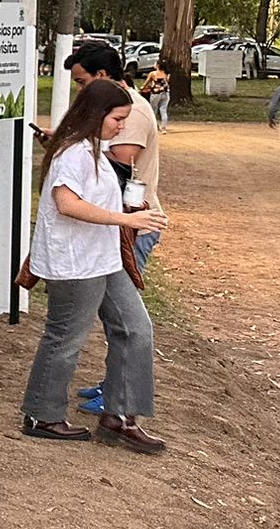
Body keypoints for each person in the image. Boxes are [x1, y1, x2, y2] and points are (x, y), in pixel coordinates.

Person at [20, 78, 168, 453]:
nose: (122, 126)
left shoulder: (94, 150)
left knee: (136, 329)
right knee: (65, 337)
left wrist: (128, 211)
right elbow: (67, 204)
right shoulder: (72, 153)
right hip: (74, 263)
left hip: (104, 258)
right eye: (117, 118)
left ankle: (120, 415)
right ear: (97, 114)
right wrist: (126, 221)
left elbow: (92, 200)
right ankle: (42, 414)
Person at [63, 41, 163, 272]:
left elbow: (123, 161)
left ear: (101, 75)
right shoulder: (109, 106)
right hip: (112, 222)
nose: (79, 90)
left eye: (82, 82)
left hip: (131, 226)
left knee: (120, 307)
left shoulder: (131, 109)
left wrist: (73, 150)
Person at [143, 62, 170, 131]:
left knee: (153, 110)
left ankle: (155, 126)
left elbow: (147, 82)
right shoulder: (166, 73)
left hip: (156, 93)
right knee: (163, 110)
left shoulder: (153, 73)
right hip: (165, 93)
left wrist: (142, 88)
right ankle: (163, 127)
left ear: (157, 65)